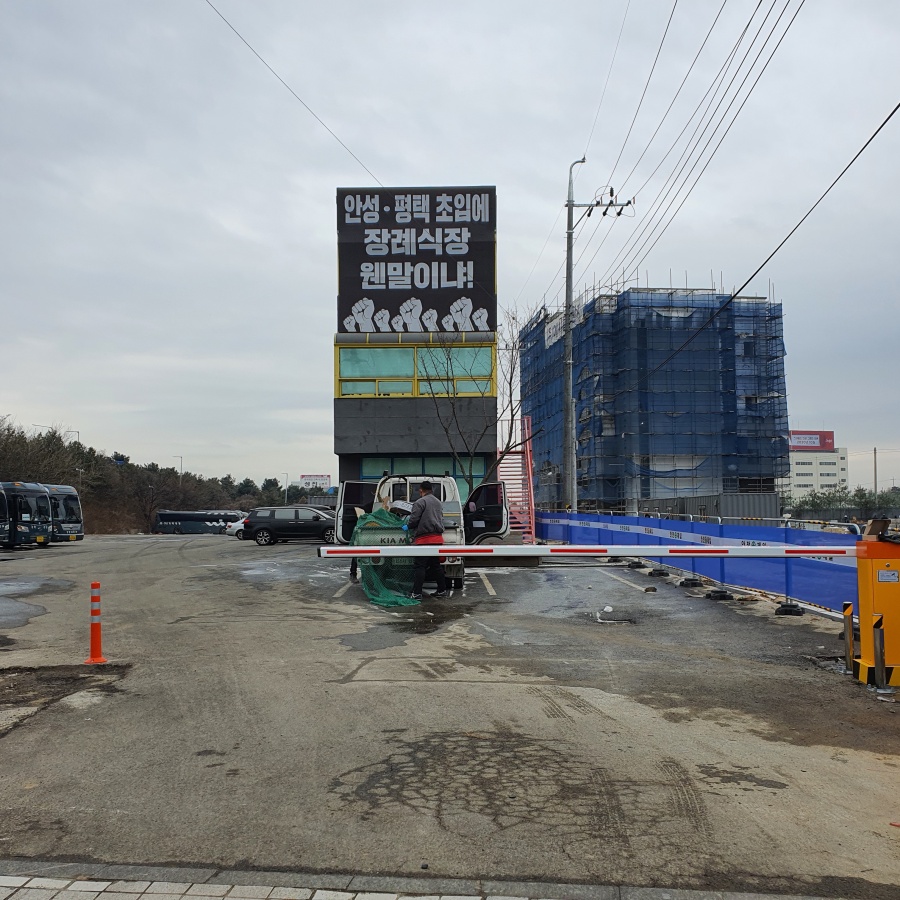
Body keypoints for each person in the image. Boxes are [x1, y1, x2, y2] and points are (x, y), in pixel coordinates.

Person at [403, 481, 448, 600]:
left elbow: (414, 520)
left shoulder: (420, 502)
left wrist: (408, 526)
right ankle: (442, 590)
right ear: (431, 490)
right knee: (436, 565)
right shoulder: (438, 502)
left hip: (424, 539)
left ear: (421, 490)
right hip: (437, 538)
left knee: (420, 566)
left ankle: (417, 593)